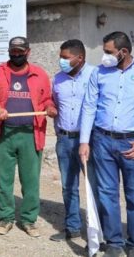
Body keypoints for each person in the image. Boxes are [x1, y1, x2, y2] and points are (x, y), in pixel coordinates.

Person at [79, 32, 134, 257]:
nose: (105, 56)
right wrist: (85, 141)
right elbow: (89, 107)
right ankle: (114, 243)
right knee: (107, 194)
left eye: (109, 52)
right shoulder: (98, 73)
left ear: (123, 52)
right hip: (102, 141)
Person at [0, 36, 57, 238]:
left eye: (20, 51)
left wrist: (50, 108)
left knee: (31, 180)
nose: (16, 54)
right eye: (13, 51)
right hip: (4, 133)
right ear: (9, 51)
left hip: (30, 133)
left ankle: (29, 220)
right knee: (3, 180)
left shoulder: (40, 74)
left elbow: (47, 99)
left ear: (28, 52)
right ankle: (6, 217)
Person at [49, 39, 98, 242]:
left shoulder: (96, 75)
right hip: (64, 139)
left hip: (90, 141)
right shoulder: (57, 79)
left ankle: (99, 231)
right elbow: (52, 101)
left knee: (95, 186)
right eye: (60, 57)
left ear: (80, 58)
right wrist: (50, 108)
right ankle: (72, 228)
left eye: (65, 58)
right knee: (69, 186)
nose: (61, 61)